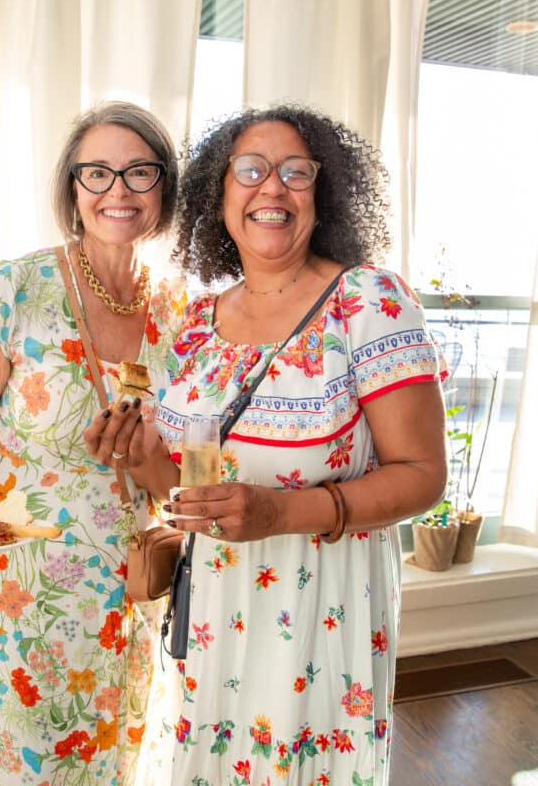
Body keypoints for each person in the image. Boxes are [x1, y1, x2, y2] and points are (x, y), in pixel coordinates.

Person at [86, 104, 448, 785]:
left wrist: (279, 513)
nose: (272, 188)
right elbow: (187, 492)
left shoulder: (369, 303)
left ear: (326, 191)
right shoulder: (198, 325)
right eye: (249, 170)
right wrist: (139, 457)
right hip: (214, 614)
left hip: (321, 620)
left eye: (295, 172)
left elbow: (424, 475)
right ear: (217, 198)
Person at [0, 101, 188, 785]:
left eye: (138, 172)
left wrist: (144, 458)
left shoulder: (180, 312)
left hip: (126, 585)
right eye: (96, 173)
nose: (117, 192)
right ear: (72, 188)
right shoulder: (19, 288)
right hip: (23, 587)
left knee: (111, 752)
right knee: (21, 758)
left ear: (165, 186)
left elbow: (187, 477)